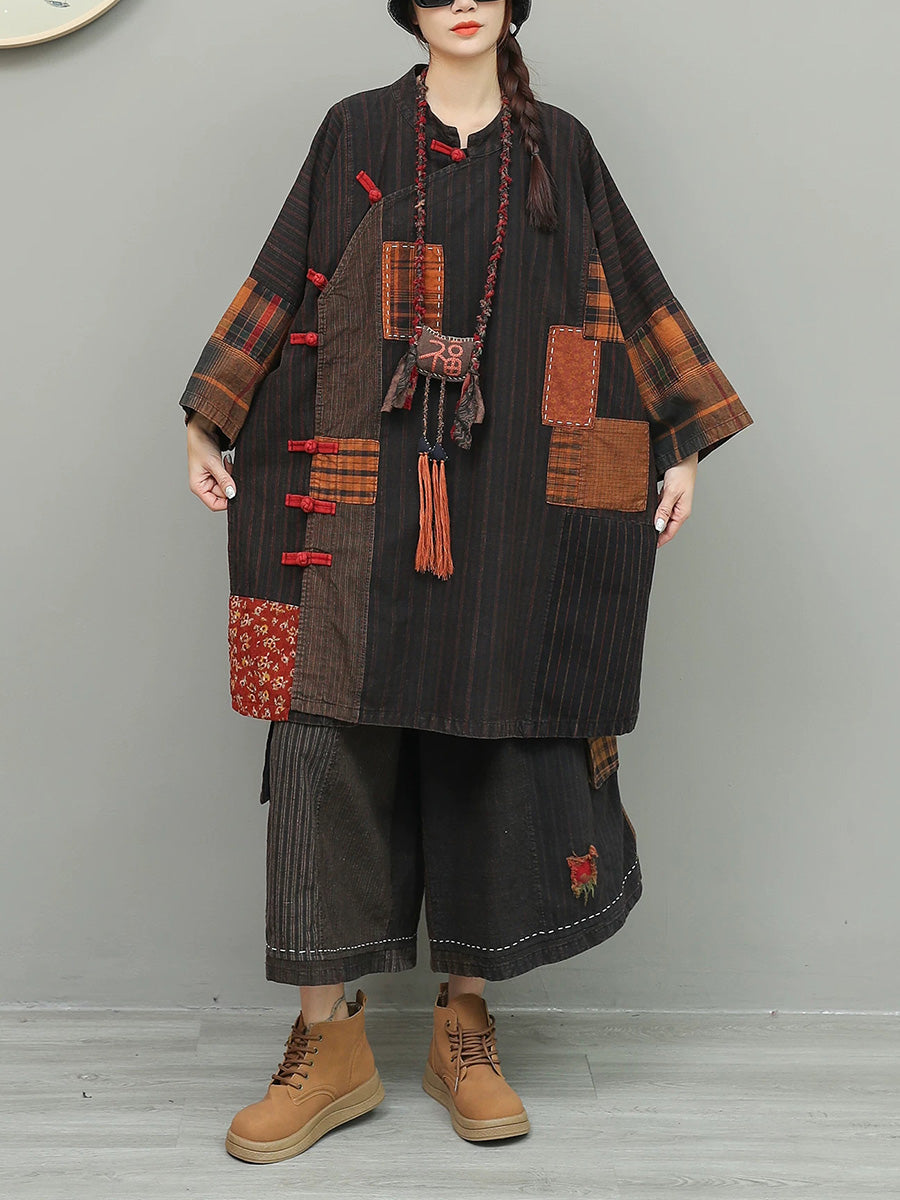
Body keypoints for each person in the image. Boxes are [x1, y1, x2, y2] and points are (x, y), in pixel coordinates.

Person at [181, 0, 753, 1162]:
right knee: (325, 733)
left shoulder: (561, 148)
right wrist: (212, 411)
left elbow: (627, 292)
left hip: (516, 489)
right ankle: (328, 1043)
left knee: (492, 731)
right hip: (353, 480)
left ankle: (465, 1027)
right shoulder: (354, 130)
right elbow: (283, 275)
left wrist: (681, 441)